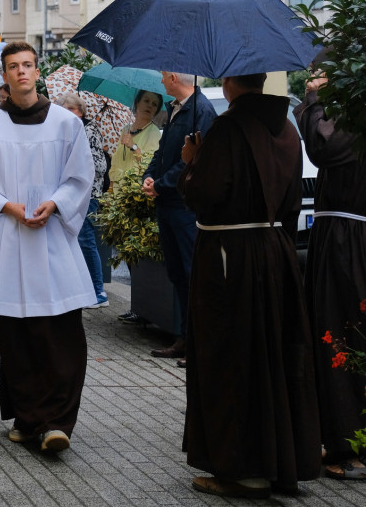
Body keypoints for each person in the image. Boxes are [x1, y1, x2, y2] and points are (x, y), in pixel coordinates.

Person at [179, 73, 321, 497]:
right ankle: (279, 463)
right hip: (276, 251)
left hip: (231, 256)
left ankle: (242, 470)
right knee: (273, 354)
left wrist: (192, 162)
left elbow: (204, 195)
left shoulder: (228, 127)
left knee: (232, 355)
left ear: (229, 81)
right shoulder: (288, 128)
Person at [0, 41, 94, 452]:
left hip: (53, 238)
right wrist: (9, 207)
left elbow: (80, 177)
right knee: (15, 335)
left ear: (38, 72)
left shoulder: (66, 125)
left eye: (28, 65)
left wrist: (55, 204)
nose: (21, 71)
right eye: (13, 66)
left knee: (61, 333)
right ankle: (28, 416)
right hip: (9, 238)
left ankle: (57, 422)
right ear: (4, 76)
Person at [294, 52, 366, 481]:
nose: (316, 79)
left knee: (342, 332)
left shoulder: (356, 110)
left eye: (322, 73)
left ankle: (352, 447)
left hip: (348, 239)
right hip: (339, 234)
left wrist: (316, 98)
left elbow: (325, 147)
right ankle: (342, 439)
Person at [142, 72, 216, 360]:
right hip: (168, 203)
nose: (161, 82)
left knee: (190, 273)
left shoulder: (201, 110)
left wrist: (160, 185)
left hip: (184, 206)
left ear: (174, 77)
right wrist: (150, 176)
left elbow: (194, 160)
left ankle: (198, 343)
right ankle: (184, 338)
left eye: (163, 76)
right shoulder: (175, 109)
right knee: (177, 273)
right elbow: (163, 152)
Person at [54, 92, 109, 308]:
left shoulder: (89, 129)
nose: (68, 113)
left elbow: (100, 165)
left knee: (86, 240)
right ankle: (82, 289)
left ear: (81, 111)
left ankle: (98, 292)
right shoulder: (64, 131)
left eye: (72, 109)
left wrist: (75, 165)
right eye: (64, 109)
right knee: (74, 241)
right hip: (69, 194)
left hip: (88, 194)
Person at [109, 90, 162, 186]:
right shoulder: (126, 129)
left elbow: (149, 165)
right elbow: (116, 160)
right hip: (116, 188)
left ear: (156, 111)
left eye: (154, 104)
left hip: (134, 189)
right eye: (146, 101)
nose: (150, 105)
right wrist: (111, 185)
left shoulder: (154, 133)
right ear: (137, 103)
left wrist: (133, 146)